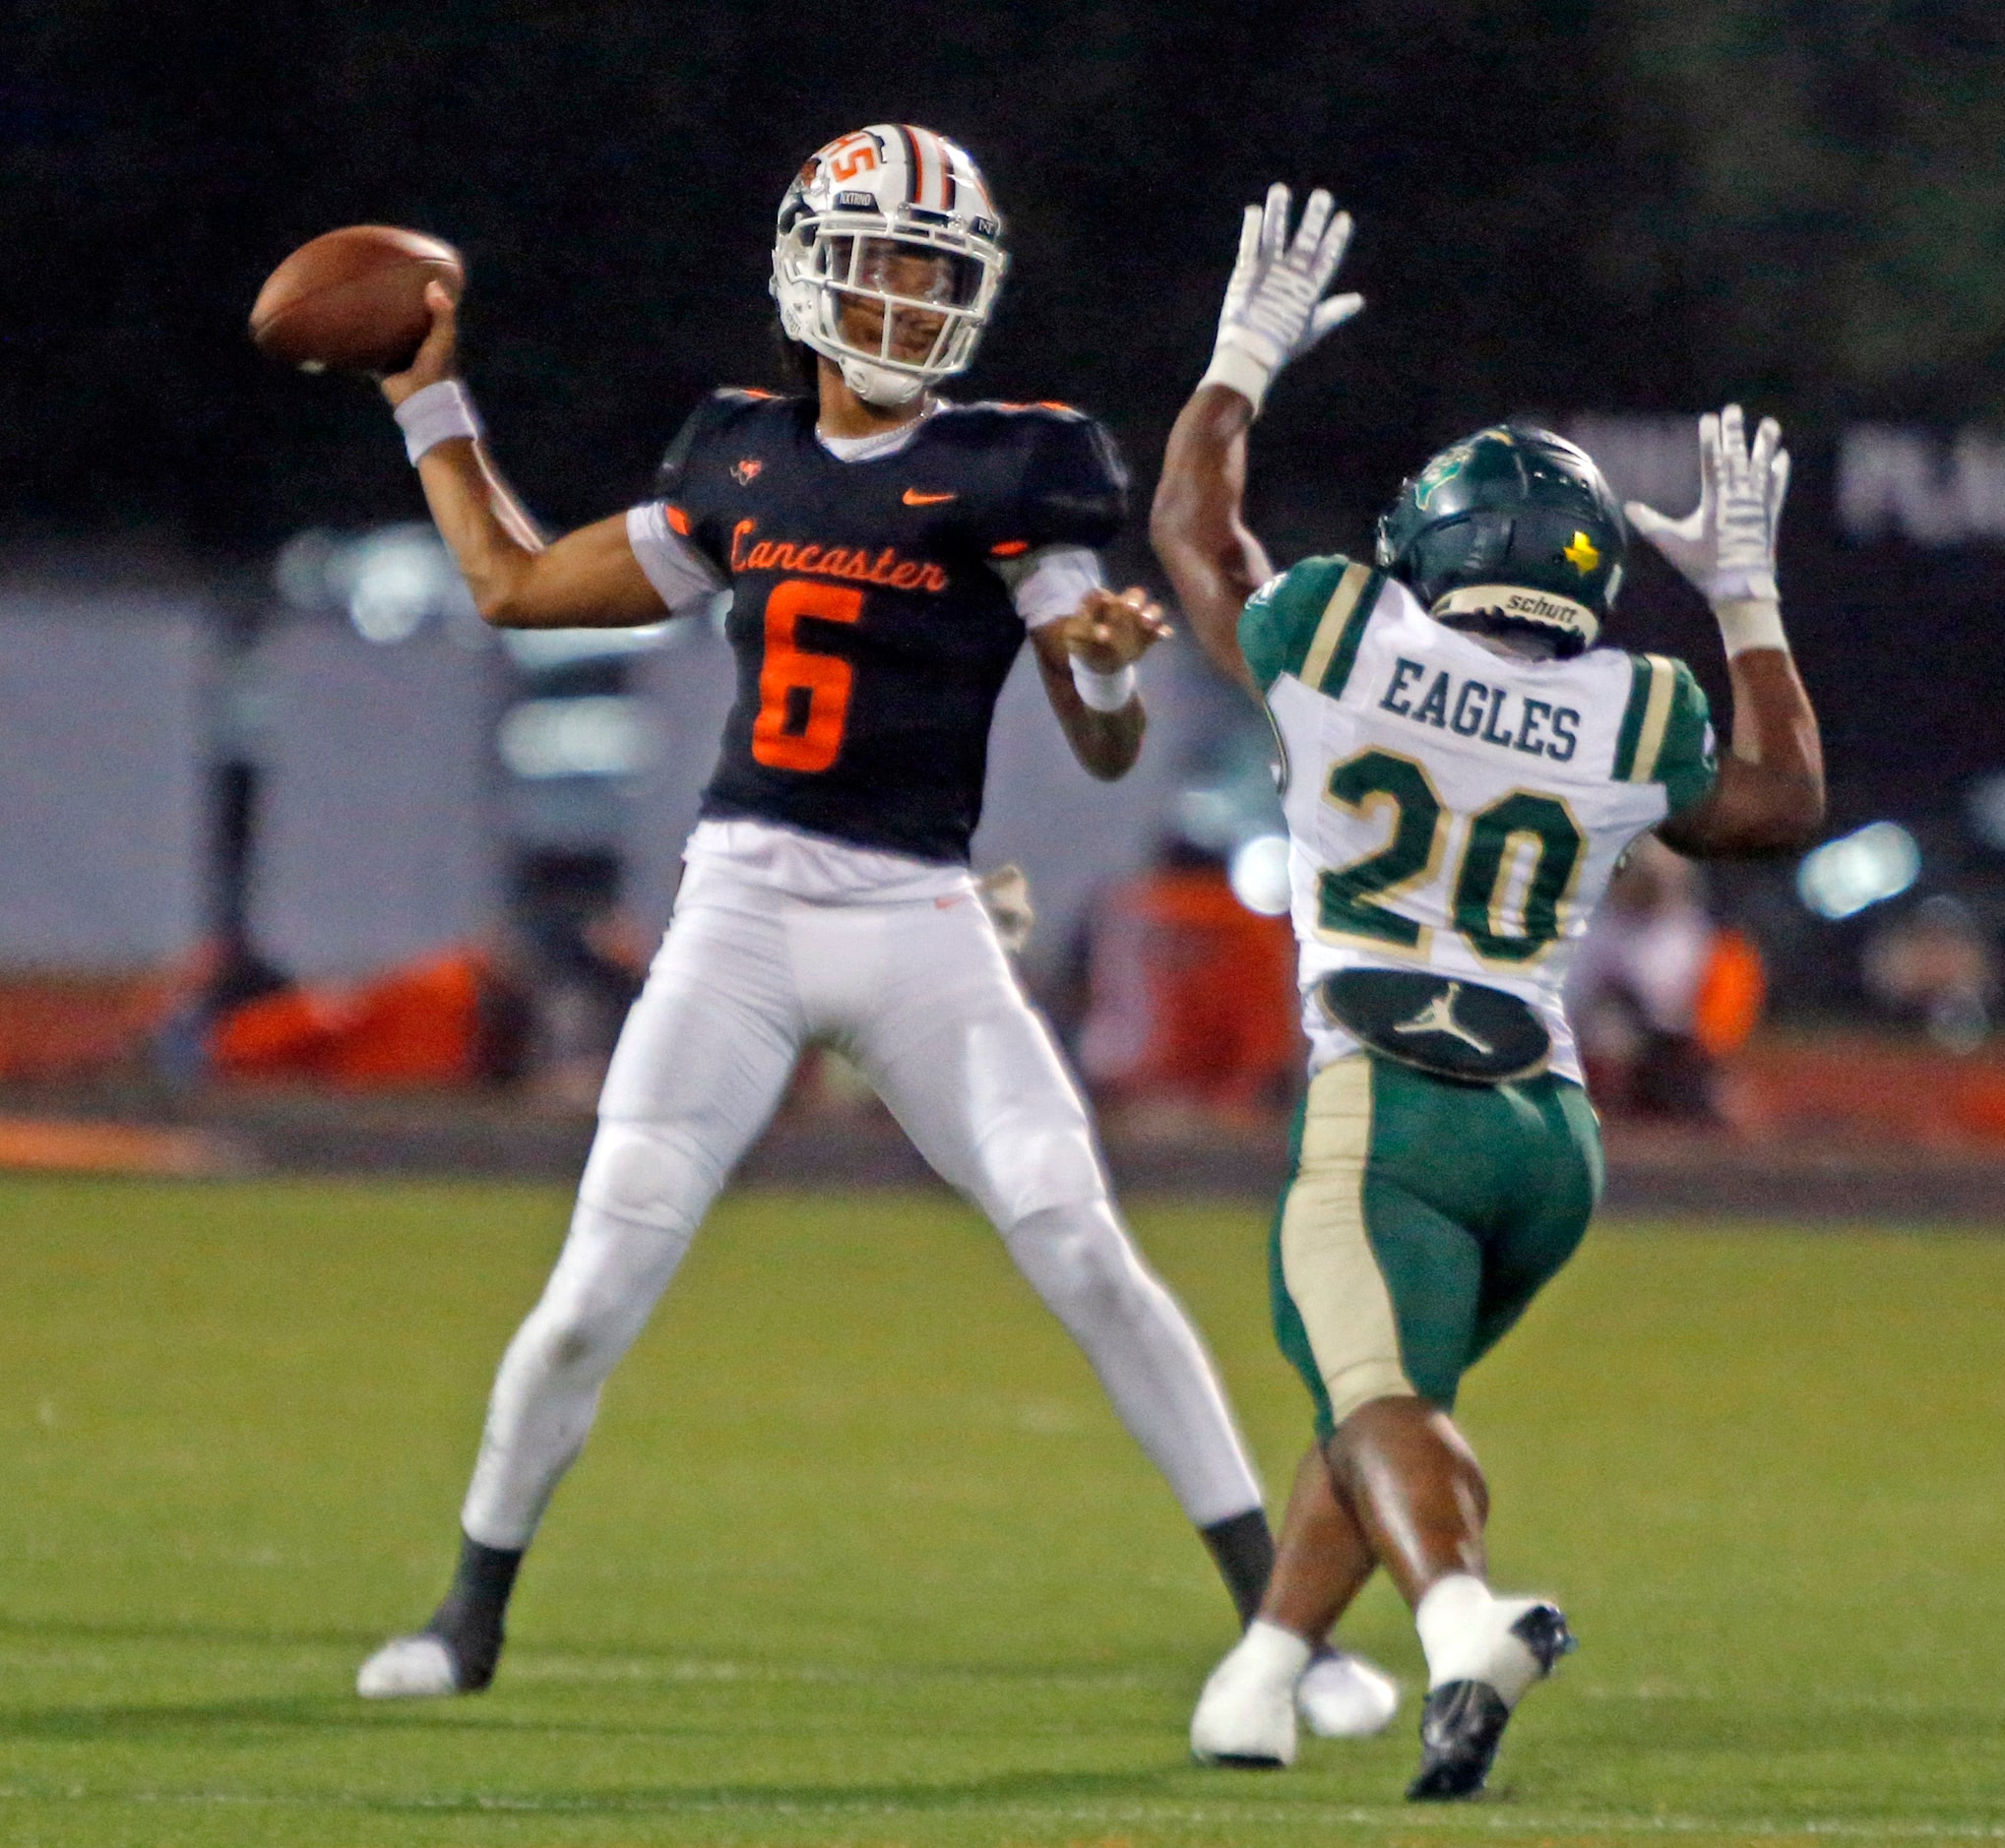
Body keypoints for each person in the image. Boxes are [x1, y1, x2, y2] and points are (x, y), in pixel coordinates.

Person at [348, 127, 1394, 1738]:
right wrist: (425, 396)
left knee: (1082, 1245)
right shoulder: (734, 456)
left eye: (937, 270)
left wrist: (1108, 669)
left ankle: (1286, 1639)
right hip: (744, 907)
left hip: (919, 916)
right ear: (805, 269)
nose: (909, 299)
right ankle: (468, 1612)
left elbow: (1101, 738)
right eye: (885, 262)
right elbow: (509, 583)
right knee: (589, 1290)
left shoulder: (1018, 464)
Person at [1150, 184, 1825, 1797]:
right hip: (1548, 1134)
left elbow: (1192, 532)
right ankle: (1256, 1677)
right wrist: (1742, 596)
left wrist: (1240, 358)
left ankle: (1462, 1619)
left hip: (1387, 1100)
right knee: (1378, 1403)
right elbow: (1777, 806)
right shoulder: (1630, 704)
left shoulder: (1337, 632)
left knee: (1379, 1398)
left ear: (1427, 545)